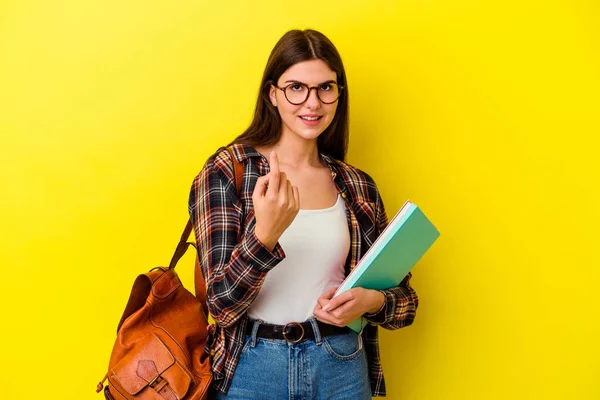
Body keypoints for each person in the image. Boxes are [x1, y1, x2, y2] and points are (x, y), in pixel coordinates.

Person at [188, 29, 418, 400]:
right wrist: (265, 236)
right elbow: (221, 303)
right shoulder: (228, 170)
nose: (312, 103)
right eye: (296, 87)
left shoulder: (356, 185)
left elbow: (406, 302)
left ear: (338, 94)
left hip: (340, 363)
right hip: (251, 369)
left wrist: (371, 302)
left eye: (325, 88)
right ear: (272, 94)